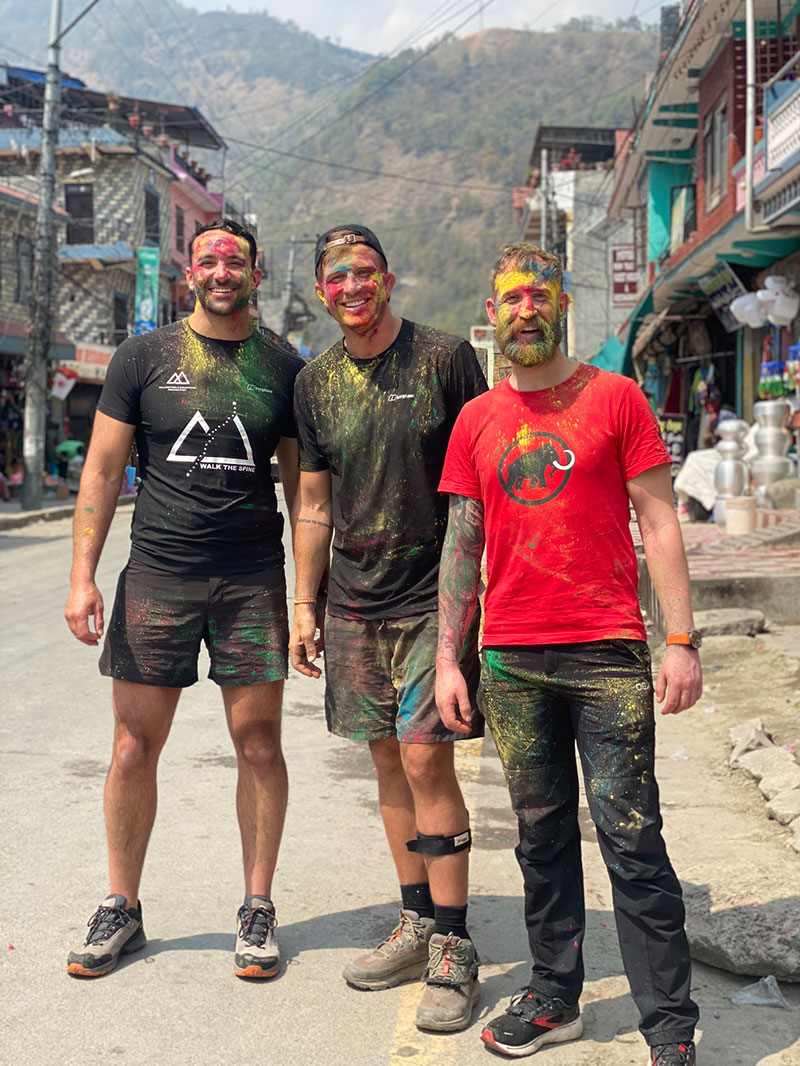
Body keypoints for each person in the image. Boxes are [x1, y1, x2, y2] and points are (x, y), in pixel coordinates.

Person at [436, 242, 702, 1065]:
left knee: (632, 839)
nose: (523, 309)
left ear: (560, 303)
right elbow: (462, 540)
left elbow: (658, 522)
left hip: (608, 654)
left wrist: (682, 640)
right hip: (511, 660)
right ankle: (555, 995)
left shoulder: (616, 399)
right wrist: (451, 657)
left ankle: (669, 1027)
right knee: (539, 836)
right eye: (509, 297)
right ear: (494, 310)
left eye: (536, 294)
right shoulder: (478, 418)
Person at [64, 218, 305, 980]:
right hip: (157, 577)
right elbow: (102, 473)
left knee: (260, 743)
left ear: (255, 272)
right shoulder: (143, 358)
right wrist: (82, 575)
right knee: (134, 745)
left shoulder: (285, 367)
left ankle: (258, 909)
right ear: (189, 272)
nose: (221, 270)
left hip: (251, 581)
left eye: (234, 259)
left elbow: (302, 491)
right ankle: (121, 908)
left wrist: (309, 598)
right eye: (209, 259)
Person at [290, 224, 487, 1032]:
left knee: (424, 759)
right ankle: (415, 920)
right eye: (337, 277)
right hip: (353, 604)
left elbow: (480, 479)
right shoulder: (314, 382)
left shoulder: (443, 359)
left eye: (365, 272)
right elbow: (311, 501)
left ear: (390, 279)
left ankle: (455, 943)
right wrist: (305, 602)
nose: (352, 287)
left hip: (431, 596)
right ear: (321, 291)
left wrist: (482, 594)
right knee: (385, 763)